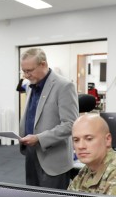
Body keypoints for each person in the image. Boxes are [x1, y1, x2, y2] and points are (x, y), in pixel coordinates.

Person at [19, 48, 78, 189]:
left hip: (53, 158)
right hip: (32, 153)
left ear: (43, 64)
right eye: (23, 71)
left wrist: (39, 138)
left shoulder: (64, 86)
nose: (26, 75)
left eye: (29, 70)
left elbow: (71, 124)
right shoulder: (30, 86)